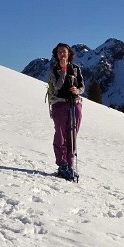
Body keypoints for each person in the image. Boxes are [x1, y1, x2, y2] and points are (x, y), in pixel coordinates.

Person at [45, 43, 84, 179]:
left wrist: (77, 90)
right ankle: (62, 164)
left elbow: (82, 86)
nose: (62, 54)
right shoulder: (53, 69)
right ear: (56, 55)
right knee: (60, 134)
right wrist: (63, 69)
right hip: (60, 104)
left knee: (72, 134)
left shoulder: (76, 68)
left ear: (69, 53)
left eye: (64, 51)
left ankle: (70, 164)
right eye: (59, 52)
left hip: (75, 103)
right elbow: (57, 86)